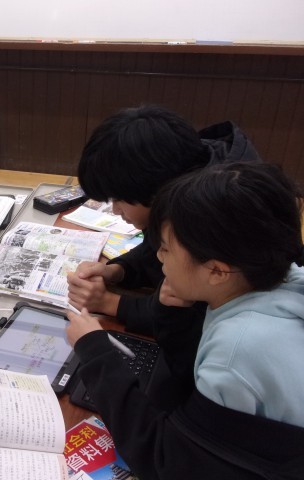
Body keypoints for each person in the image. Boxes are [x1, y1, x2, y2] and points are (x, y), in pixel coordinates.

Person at [66, 162, 304, 479]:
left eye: (165, 249)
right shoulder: (280, 279)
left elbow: (165, 462)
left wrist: (95, 352)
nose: (158, 258)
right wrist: (172, 312)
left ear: (217, 271)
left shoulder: (237, 350)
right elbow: (190, 375)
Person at [67, 105, 262, 337]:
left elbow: (189, 319)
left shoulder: (216, 218)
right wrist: (118, 270)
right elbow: (157, 248)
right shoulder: (183, 172)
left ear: (154, 190)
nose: (116, 210)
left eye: (119, 199)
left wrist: (109, 303)